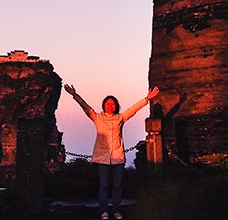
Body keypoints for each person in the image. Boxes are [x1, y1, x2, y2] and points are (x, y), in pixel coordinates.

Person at [64, 83, 159, 220]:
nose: (110, 106)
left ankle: (116, 211)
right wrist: (74, 94)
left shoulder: (120, 118)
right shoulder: (97, 118)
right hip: (102, 157)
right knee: (103, 186)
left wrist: (147, 98)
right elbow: (86, 107)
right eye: (108, 104)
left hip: (117, 157)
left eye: (113, 104)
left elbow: (133, 109)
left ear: (116, 106)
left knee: (117, 186)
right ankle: (104, 211)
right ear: (104, 105)